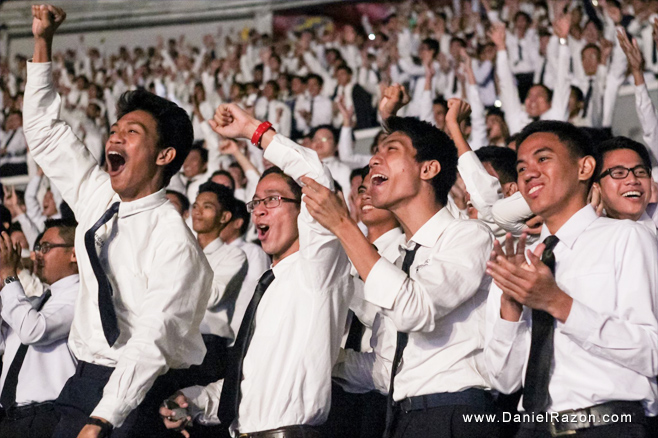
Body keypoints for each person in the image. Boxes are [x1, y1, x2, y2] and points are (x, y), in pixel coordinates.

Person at [24, 6, 213, 437]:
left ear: (165, 156)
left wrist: (104, 418)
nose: (114, 136)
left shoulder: (173, 240)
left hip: (139, 394)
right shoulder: (98, 196)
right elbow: (45, 132)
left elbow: (153, 340)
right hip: (82, 382)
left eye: (132, 132)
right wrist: (42, 42)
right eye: (114, 128)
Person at [161, 102, 353, 438]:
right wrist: (197, 400)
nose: (260, 211)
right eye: (256, 203)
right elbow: (254, 377)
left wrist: (253, 129)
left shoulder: (317, 266)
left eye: (273, 200)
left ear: (305, 208)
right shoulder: (270, 285)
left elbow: (315, 175)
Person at [300, 114, 498, 437]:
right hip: (402, 417)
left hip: (454, 414)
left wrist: (343, 226)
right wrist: (315, 357)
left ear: (428, 168)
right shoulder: (399, 259)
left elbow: (414, 311)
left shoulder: (469, 236)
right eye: (376, 150)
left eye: (390, 149)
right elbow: (385, 366)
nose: (374, 158)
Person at [485, 121, 658, 438]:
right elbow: (504, 381)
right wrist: (510, 306)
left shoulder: (626, 238)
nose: (528, 173)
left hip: (606, 425)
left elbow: (653, 352)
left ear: (585, 168)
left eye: (543, 159)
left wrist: (559, 303)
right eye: (521, 166)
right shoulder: (521, 261)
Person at [0, 219, 79, 437]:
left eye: (45, 247)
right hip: (11, 418)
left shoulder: (81, 295)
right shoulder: (36, 302)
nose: (37, 255)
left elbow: (32, 331)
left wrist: (8, 276)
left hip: (47, 417)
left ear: (74, 254)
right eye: (37, 249)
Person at [174, 181, 248, 388]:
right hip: (175, 337)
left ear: (225, 217)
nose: (198, 212)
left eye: (207, 207)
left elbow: (213, 296)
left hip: (209, 345)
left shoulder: (233, 255)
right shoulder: (181, 250)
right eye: (196, 206)